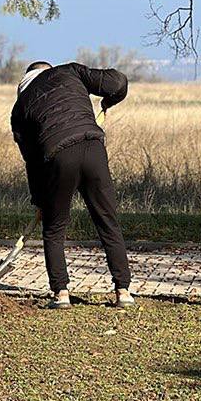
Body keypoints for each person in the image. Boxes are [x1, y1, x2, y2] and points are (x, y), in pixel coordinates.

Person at [10, 61, 133, 309]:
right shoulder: (69, 72)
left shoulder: (20, 108)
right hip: (93, 149)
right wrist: (111, 99)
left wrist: (40, 199)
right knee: (107, 221)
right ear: (49, 70)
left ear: (25, 81)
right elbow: (117, 81)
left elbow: (32, 160)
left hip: (58, 157)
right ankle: (123, 292)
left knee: (54, 229)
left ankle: (61, 294)